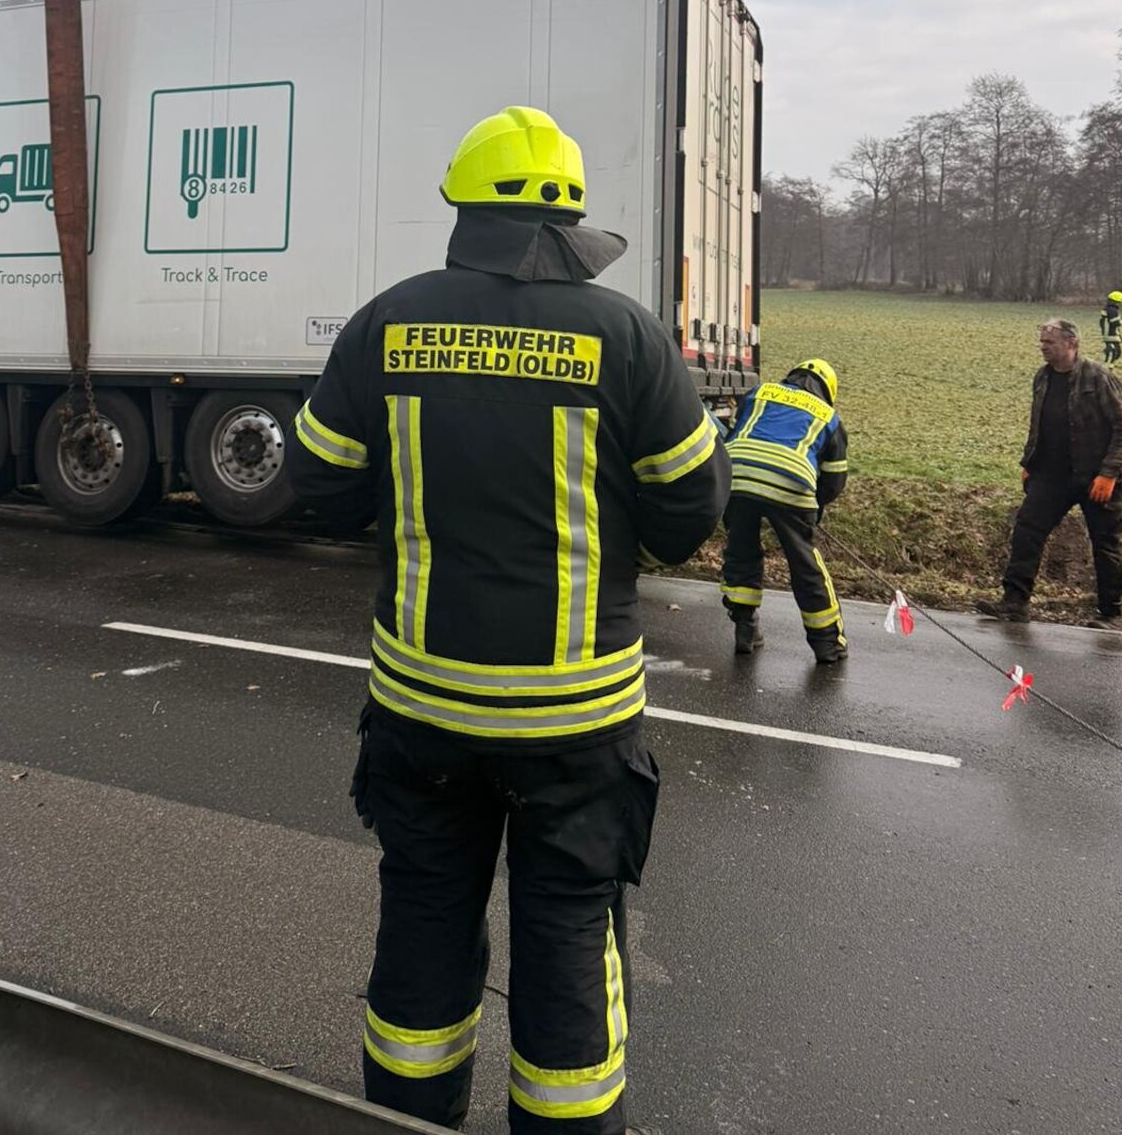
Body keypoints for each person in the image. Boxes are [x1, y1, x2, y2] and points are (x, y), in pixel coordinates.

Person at [287, 106, 729, 1135]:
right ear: (568, 213)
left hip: (422, 712)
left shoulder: (388, 322)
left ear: (462, 204)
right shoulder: (628, 337)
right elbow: (687, 518)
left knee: (422, 934)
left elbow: (313, 482)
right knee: (571, 940)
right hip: (575, 727)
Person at [978, 318, 1122, 626]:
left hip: (1096, 477)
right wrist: (1029, 464)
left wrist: (1109, 474)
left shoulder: (1099, 378)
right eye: (1042, 342)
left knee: (1105, 543)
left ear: (1071, 344)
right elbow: (1038, 425)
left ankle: (1112, 614)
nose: (1043, 348)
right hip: (1051, 475)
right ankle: (1015, 602)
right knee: (1027, 530)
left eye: (1049, 343)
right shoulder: (1042, 378)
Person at [718, 359, 849, 662]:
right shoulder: (829, 416)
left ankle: (746, 630)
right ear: (827, 390)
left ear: (793, 376)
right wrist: (813, 509)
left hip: (737, 474)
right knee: (805, 564)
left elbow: (739, 432)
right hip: (791, 481)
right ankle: (828, 644)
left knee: (741, 553)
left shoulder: (760, 393)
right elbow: (834, 481)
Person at [1099, 290, 1122, 365]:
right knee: (1113, 353)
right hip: (1110, 335)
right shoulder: (1112, 310)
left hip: (1110, 334)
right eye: (1121, 301)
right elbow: (1115, 323)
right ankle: (1105, 369)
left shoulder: (1109, 309)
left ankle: (1109, 368)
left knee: (1117, 353)